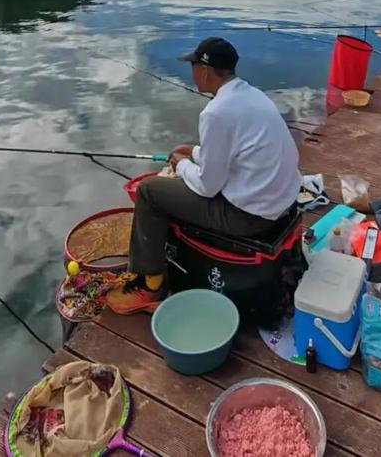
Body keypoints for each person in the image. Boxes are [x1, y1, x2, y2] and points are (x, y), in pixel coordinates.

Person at [107, 37, 301, 315]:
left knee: (150, 191)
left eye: (194, 66)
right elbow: (236, 154)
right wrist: (196, 152)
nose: (193, 73)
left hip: (250, 218)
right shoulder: (253, 95)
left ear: (204, 71)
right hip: (281, 203)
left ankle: (151, 287)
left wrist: (180, 164)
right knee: (176, 185)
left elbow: (208, 187)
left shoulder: (215, 112)